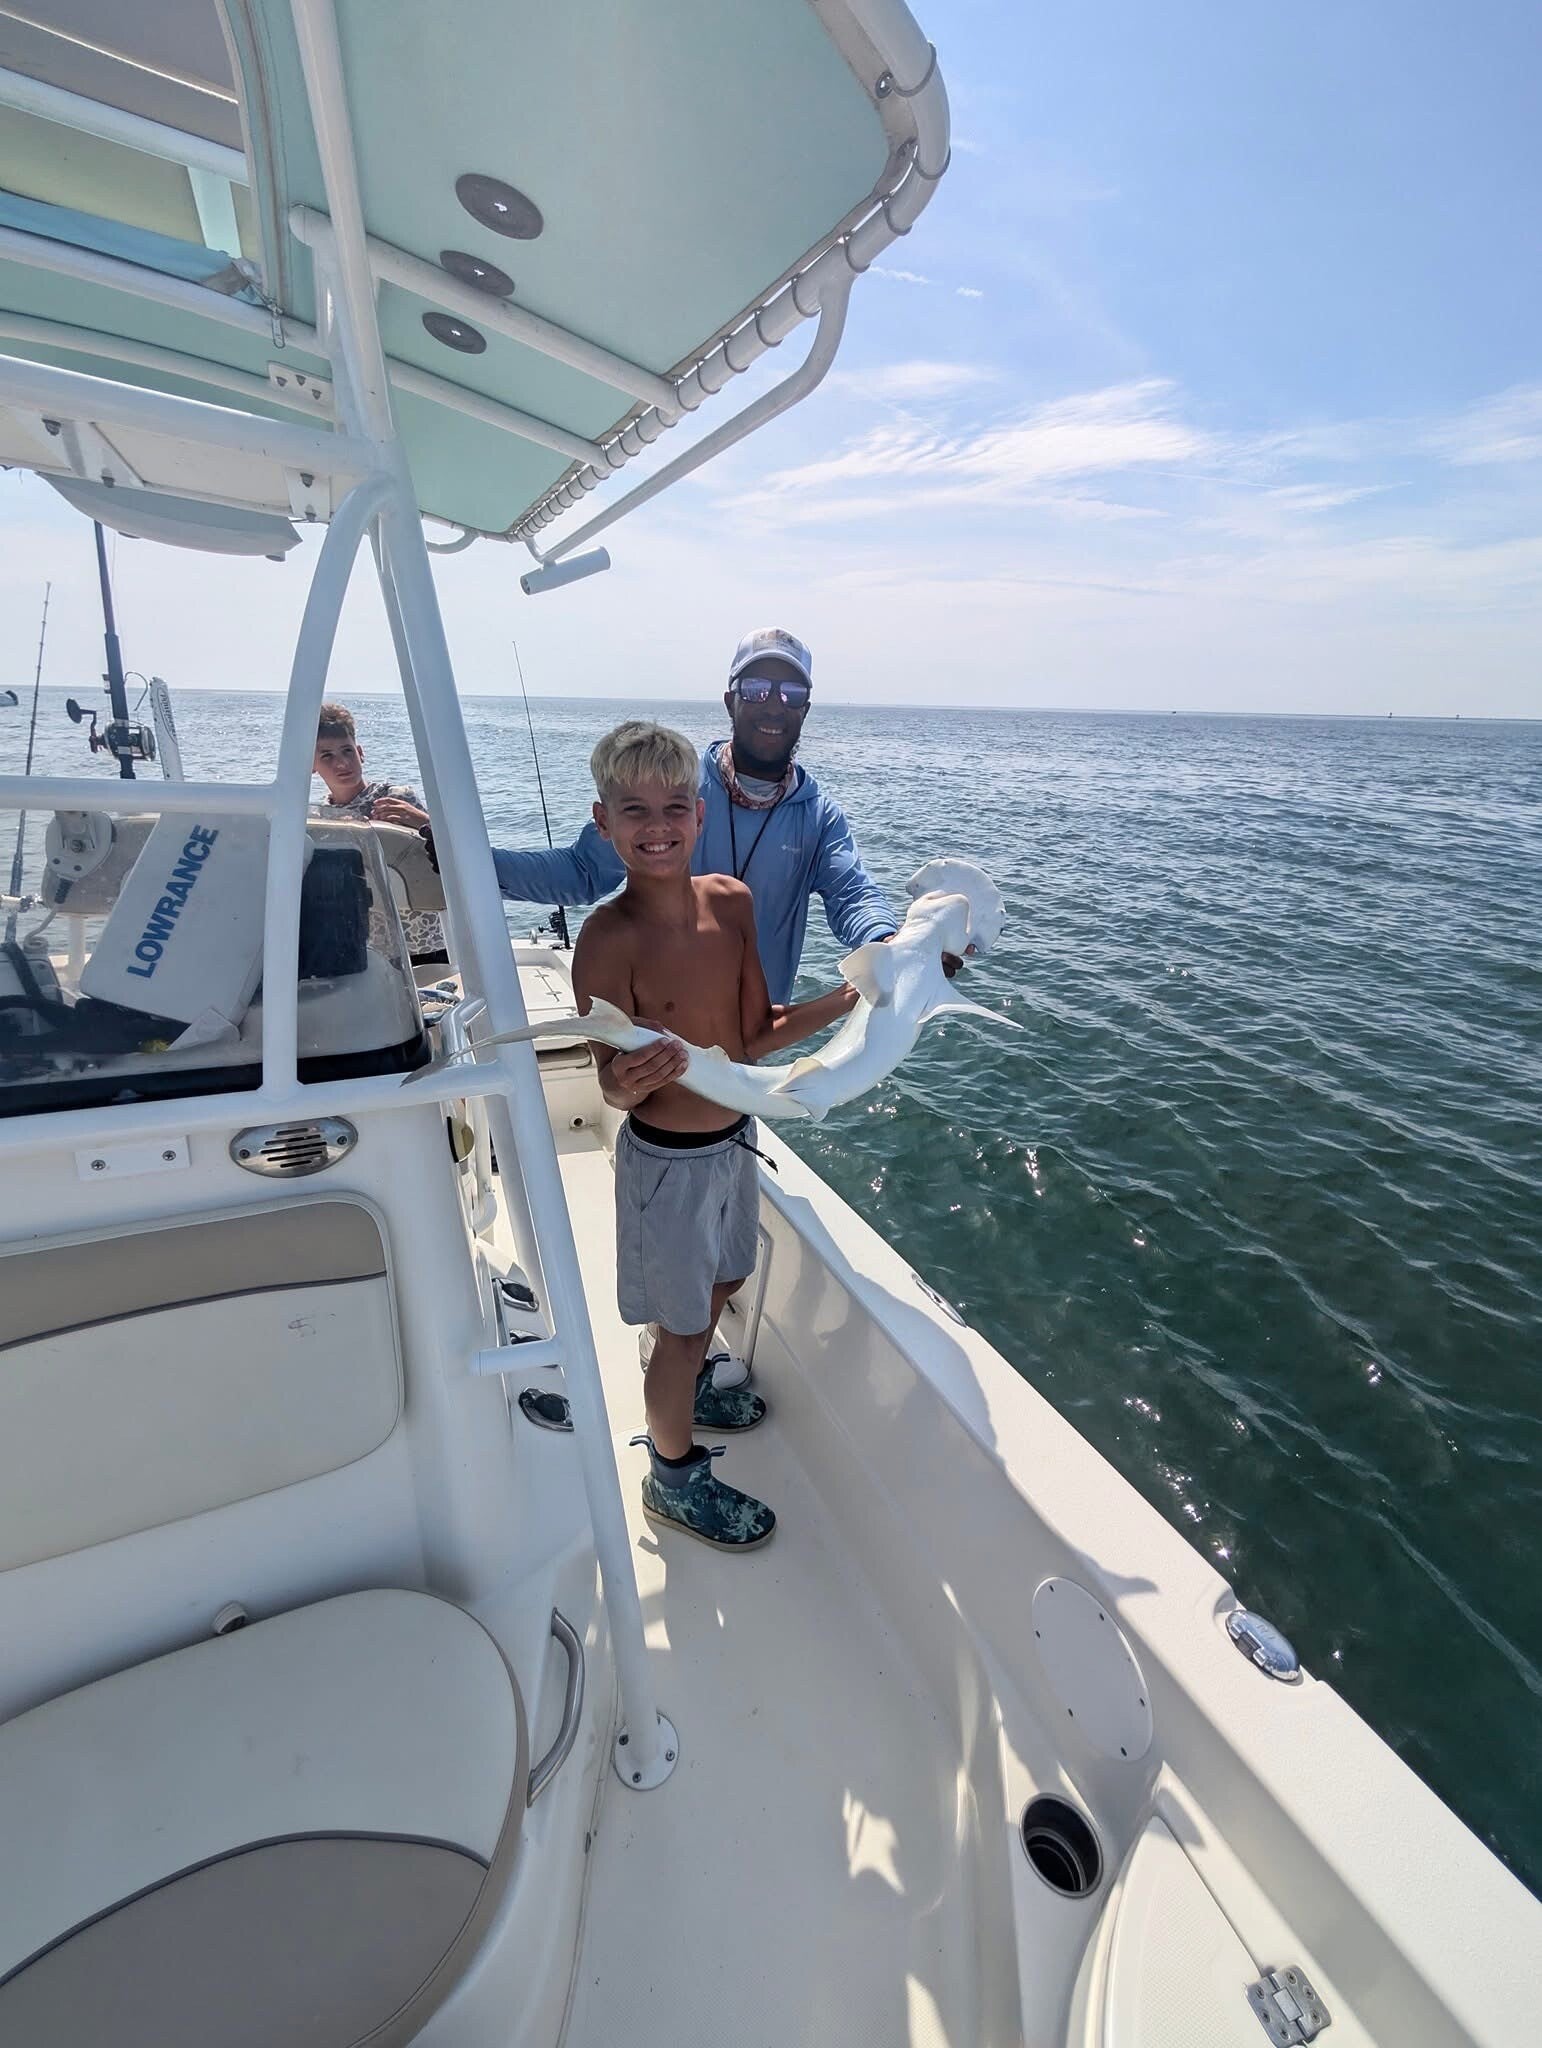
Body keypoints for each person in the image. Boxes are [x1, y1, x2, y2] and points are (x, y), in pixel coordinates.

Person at [574, 719, 857, 1551]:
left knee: (729, 1277)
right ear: (603, 822)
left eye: (673, 806)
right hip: (666, 1165)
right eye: (633, 810)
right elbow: (607, 1082)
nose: (656, 826)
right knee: (686, 1328)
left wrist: (854, 997)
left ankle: (688, 1386)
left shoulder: (731, 903)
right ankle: (672, 1480)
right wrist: (627, 1081)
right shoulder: (606, 940)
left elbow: (756, 1034)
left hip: (735, 1140)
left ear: (699, 816)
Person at [489, 628, 899, 1005]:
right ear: (730, 701)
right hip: (660, 1030)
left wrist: (889, 943)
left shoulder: (818, 816)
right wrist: (475, 867)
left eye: (791, 693)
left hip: (756, 1037)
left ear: (804, 709)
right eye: (756, 689)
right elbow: (582, 872)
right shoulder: (675, 793)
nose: (774, 705)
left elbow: (853, 896)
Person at [313, 702, 446, 962]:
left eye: (347, 751)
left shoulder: (396, 798)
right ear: (311, 765)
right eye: (327, 756)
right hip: (366, 948)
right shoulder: (320, 818)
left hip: (425, 942)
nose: (342, 763)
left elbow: (452, 852)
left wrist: (422, 820)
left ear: (360, 753)